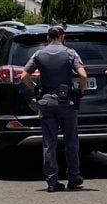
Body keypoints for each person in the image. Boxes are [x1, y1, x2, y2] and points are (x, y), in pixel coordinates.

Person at [21, 25, 88, 192]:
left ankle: (52, 181)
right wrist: (80, 90)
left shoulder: (38, 54)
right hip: (66, 103)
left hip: (46, 103)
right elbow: (83, 75)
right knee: (71, 141)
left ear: (48, 37)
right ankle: (73, 177)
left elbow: (24, 76)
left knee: (49, 144)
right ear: (62, 36)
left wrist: (36, 89)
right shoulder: (70, 53)